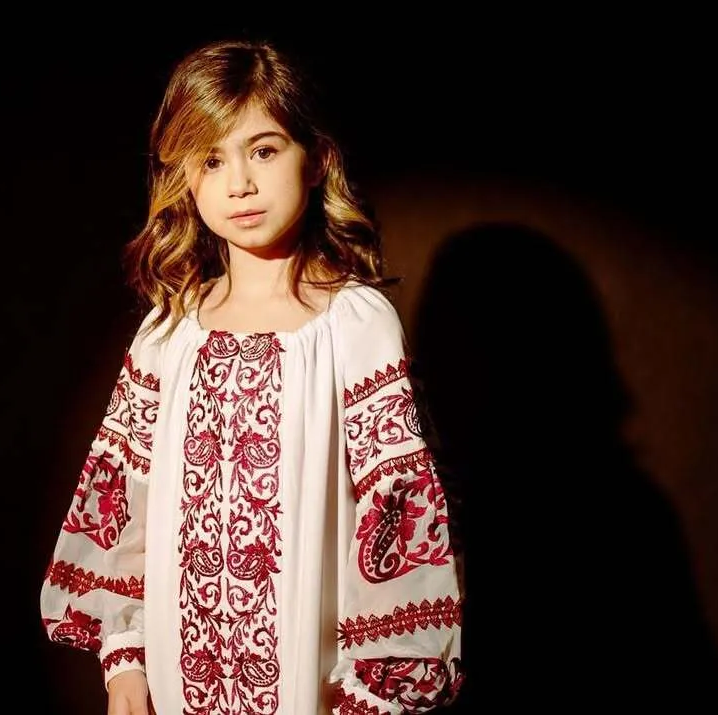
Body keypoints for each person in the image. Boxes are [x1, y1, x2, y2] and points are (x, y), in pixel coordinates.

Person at [41, 38, 463, 715]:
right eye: (212, 160)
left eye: (263, 151)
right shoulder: (168, 334)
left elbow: (398, 523)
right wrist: (124, 661)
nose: (239, 182)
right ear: (185, 177)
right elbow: (124, 510)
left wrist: (370, 699)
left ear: (315, 158)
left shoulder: (355, 327)